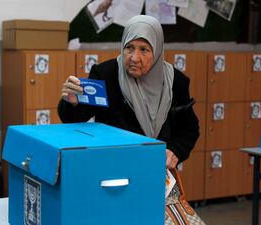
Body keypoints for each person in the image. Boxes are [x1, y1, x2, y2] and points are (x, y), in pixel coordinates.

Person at [58, 15, 199, 170]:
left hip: (158, 169)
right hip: (113, 166)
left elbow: (189, 129)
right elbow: (74, 118)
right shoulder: (106, 75)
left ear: (157, 51)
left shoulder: (175, 82)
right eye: (129, 48)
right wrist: (73, 103)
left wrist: (175, 150)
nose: (134, 58)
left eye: (144, 50)